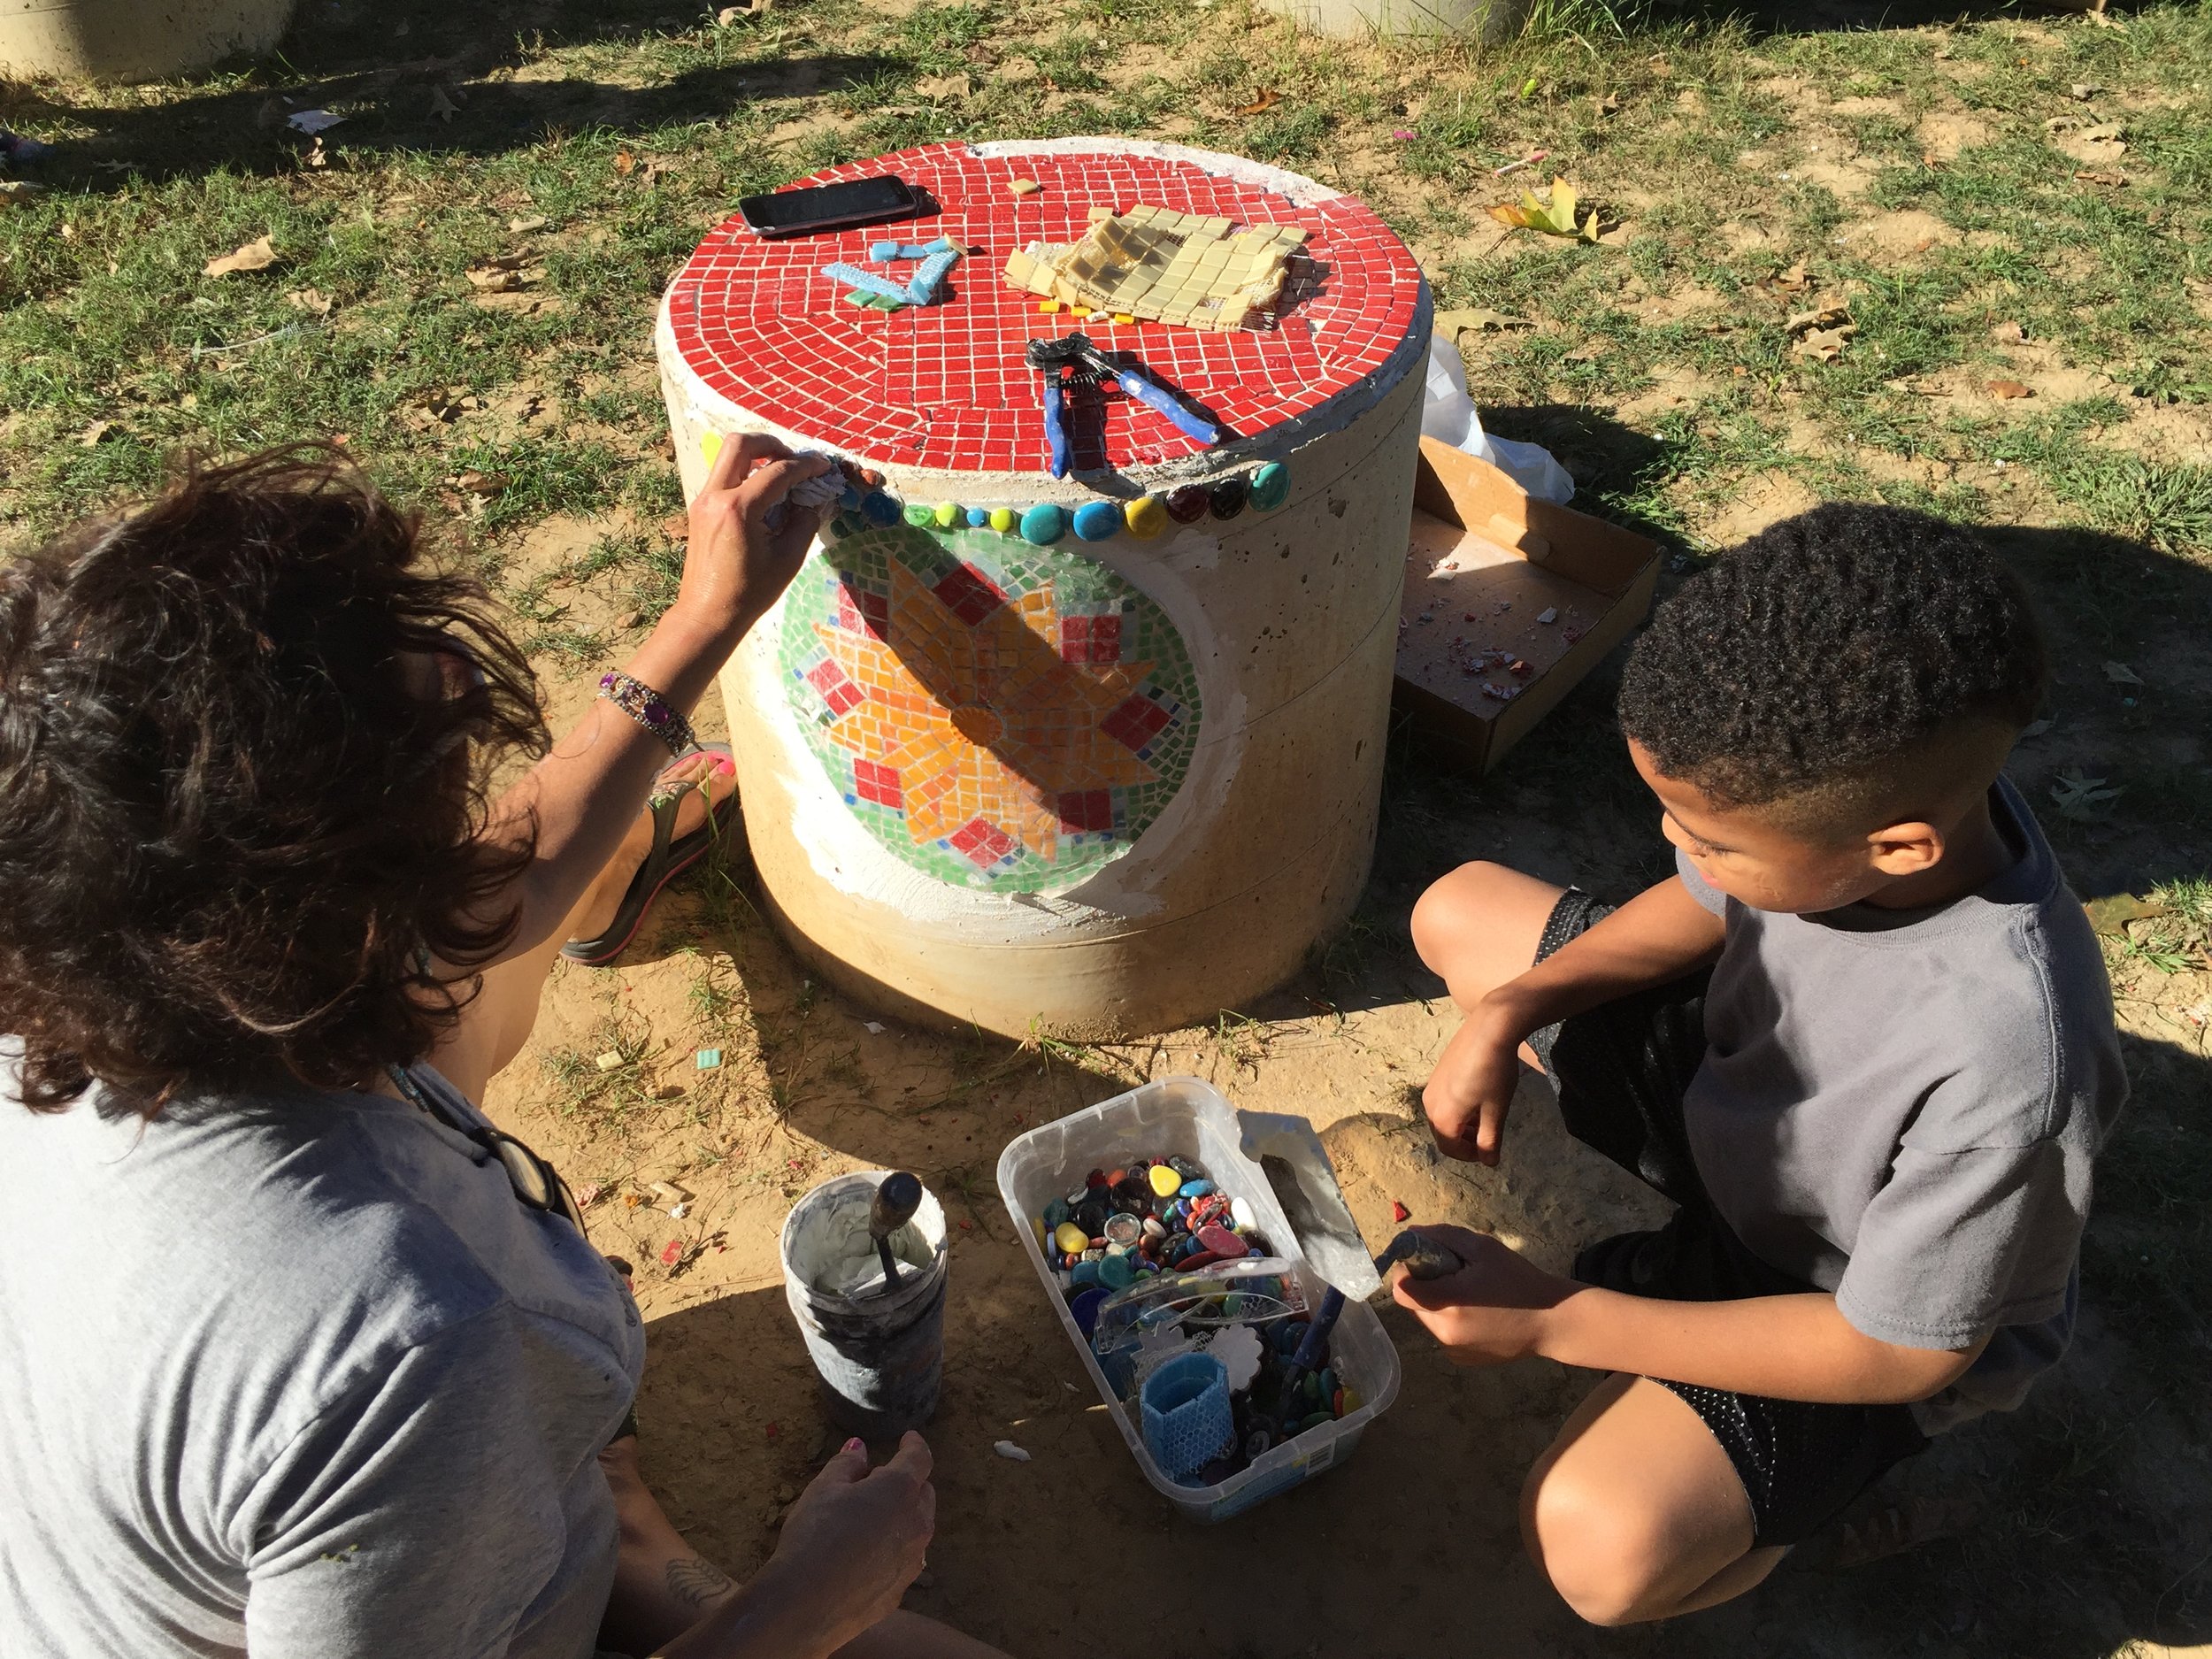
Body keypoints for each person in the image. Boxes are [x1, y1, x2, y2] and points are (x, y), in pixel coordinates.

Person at [0, 437, 1010, 1659]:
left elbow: (507, 886)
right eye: (443, 777)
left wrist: (706, 615)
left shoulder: (99, 980)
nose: (482, 788)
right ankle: (634, 1557)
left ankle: (612, 1534)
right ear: (363, 910)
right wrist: (806, 1600)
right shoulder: (407, 1340)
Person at [1395, 505, 2126, 1624]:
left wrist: (1555, 1319)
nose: (1681, 852)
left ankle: (1803, 1518)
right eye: (1672, 819)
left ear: (1896, 846)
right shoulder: (1867, 815)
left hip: (1839, 1302)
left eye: (1712, 839)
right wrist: (1514, 1009)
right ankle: (1687, 1261)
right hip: (1746, 1120)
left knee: (1599, 1548)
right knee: (1464, 916)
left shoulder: (2010, 1057)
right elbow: (1698, 906)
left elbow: (1896, 1352)